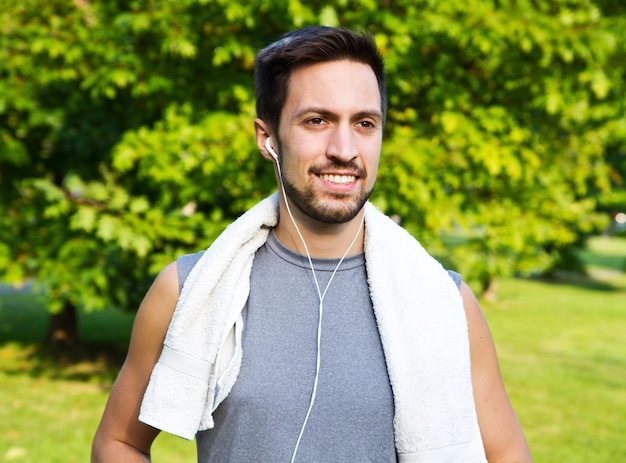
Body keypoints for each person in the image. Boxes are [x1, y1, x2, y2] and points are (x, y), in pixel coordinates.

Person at [92, 26, 533, 463]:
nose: (344, 149)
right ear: (268, 139)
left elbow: (508, 455)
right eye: (317, 121)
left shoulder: (446, 302)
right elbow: (120, 443)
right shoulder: (189, 289)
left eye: (364, 123)